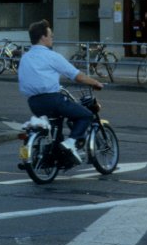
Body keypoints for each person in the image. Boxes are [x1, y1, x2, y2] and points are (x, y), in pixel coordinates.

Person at [17, 19, 104, 164]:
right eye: (50, 35)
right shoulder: (51, 56)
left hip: (33, 102)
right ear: (43, 37)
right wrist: (96, 83)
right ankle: (71, 143)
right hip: (52, 100)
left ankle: (56, 158)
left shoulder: (25, 58)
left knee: (55, 127)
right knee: (86, 115)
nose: (52, 37)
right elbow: (77, 76)